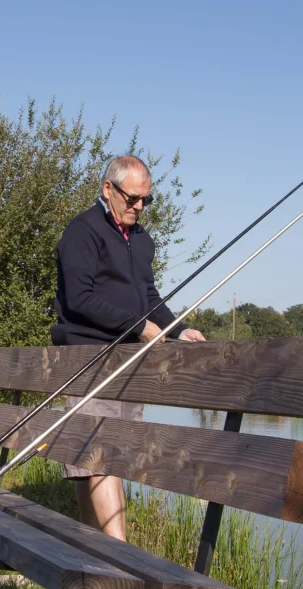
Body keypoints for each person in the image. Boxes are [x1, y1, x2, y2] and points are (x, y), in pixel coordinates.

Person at [52, 155, 205, 542]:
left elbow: (149, 297)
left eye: (146, 200)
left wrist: (176, 331)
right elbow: (79, 299)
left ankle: (93, 553)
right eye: (132, 198)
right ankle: (120, 560)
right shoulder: (82, 232)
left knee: (107, 458)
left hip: (128, 361)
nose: (139, 206)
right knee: (102, 457)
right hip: (89, 356)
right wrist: (138, 327)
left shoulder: (142, 240)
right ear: (108, 189)